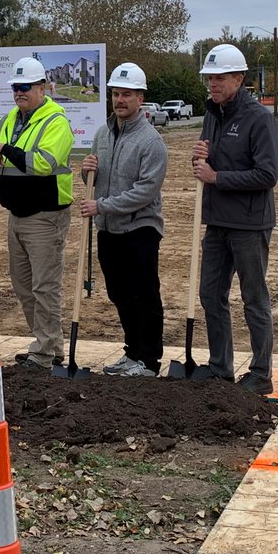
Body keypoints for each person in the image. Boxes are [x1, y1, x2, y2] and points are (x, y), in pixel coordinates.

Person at [192, 43, 278, 395]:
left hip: (249, 223)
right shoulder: (212, 115)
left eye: (220, 78)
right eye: (210, 78)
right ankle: (220, 368)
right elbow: (206, 166)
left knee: (253, 298)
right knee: (210, 294)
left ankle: (261, 374)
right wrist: (199, 159)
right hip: (217, 222)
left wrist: (217, 177)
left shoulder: (259, 119)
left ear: (239, 79)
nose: (213, 84)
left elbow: (268, 175)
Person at [0, 56, 75, 369]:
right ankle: (48, 344)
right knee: (23, 285)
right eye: (15, 87)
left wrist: (3, 150)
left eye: (25, 87)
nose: (19, 92)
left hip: (45, 216)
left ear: (42, 88)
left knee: (44, 286)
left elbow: (42, 163)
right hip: (16, 214)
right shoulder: (7, 120)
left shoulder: (55, 121)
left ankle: (45, 352)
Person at [79, 63, 167, 378]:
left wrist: (101, 206)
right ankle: (132, 354)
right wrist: (86, 171)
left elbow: (145, 192)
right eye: (116, 94)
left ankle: (149, 361)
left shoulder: (151, 142)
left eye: (127, 94)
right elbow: (93, 179)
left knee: (144, 294)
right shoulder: (102, 134)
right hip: (109, 228)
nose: (120, 100)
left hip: (140, 229)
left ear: (140, 98)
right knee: (119, 294)